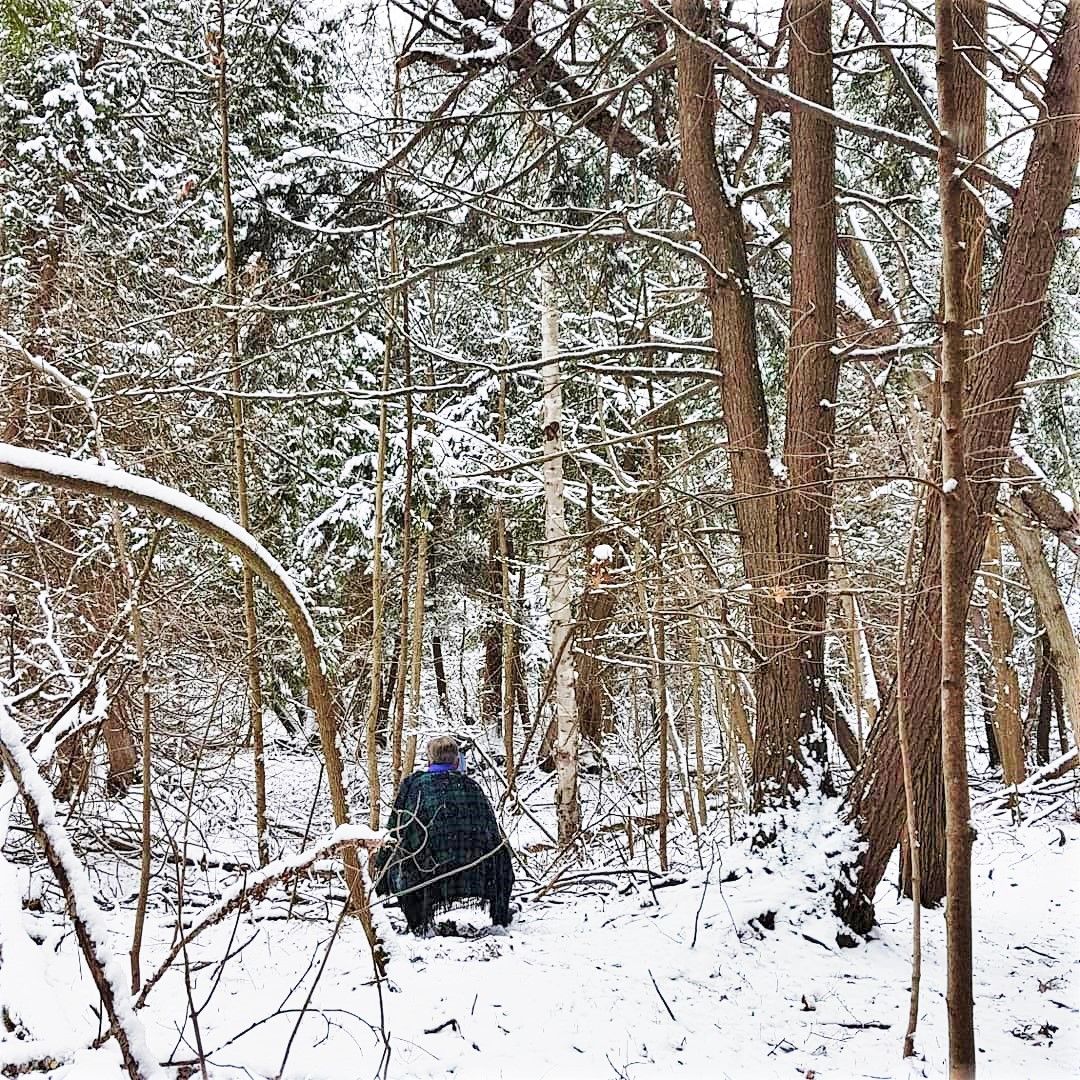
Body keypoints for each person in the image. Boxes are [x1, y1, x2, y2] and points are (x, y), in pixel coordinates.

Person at [373, 734, 513, 934]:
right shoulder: (472, 786)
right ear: (457, 760)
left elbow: (394, 833)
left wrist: (379, 874)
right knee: (502, 856)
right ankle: (499, 916)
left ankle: (418, 923)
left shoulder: (414, 787)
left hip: (427, 873)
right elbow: (493, 836)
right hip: (479, 872)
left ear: (429, 760)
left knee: (401, 860)